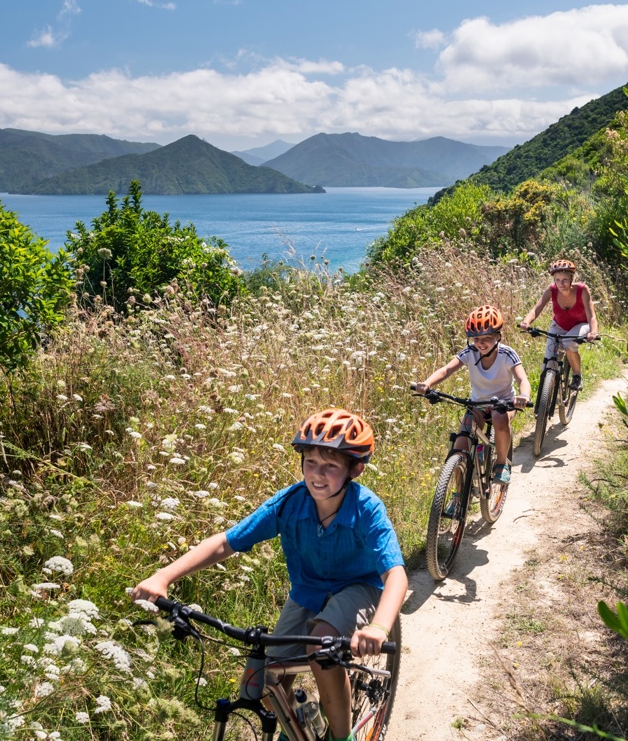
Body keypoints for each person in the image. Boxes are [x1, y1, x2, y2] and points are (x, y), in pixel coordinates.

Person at [130, 408, 407, 741]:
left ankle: (341, 737)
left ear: (355, 469)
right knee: (264, 682)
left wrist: (378, 627)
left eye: (331, 466)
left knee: (321, 646)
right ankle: (300, 729)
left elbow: (396, 575)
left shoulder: (367, 509)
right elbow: (225, 543)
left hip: (360, 588)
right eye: (310, 463)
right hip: (307, 592)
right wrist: (163, 576)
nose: (317, 474)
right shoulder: (290, 503)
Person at [411, 306, 531, 484]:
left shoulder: (507, 354)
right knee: (460, 446)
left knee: (499, 418)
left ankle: (501, 464)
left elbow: (522, 379)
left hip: (504, 404)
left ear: (498, 336)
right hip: (478, 404)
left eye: (487, 338)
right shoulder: (470, 352)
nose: (481, 343)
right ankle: (458, 495)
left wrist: (524, 396)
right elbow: (446, 369)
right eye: (476, 339)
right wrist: (427, 384)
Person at [518, 259, 599, 391]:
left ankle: (577, 376)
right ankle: (550, 396)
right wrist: (526, 322)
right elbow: (536, 309)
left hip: (581, 325)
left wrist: (593, 331)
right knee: (548, 365)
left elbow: (592, 316)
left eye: (565, 280)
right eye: (557, 280)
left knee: (569, 343)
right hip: (559, 326)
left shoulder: (582, 290)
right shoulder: (551, 290)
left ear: (571, 279)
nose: (561, 283)